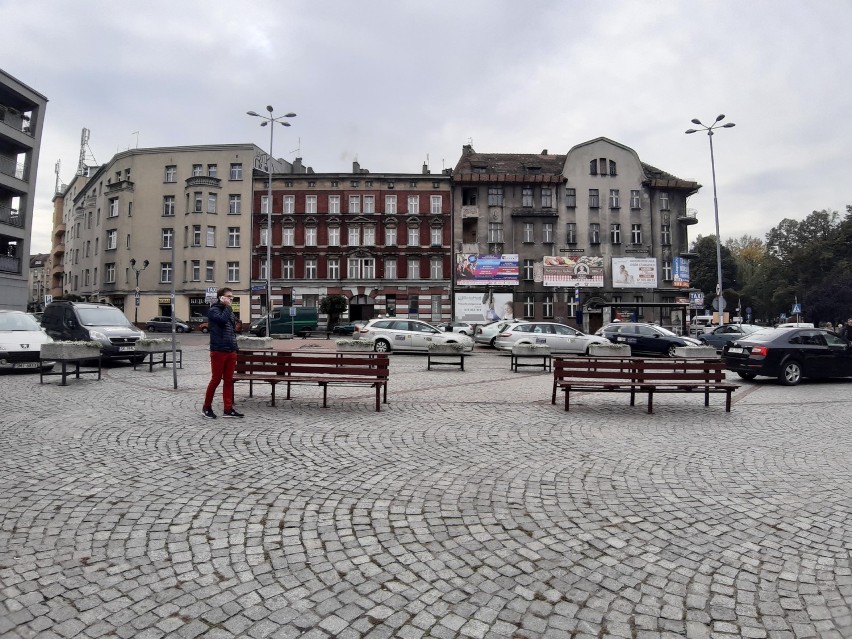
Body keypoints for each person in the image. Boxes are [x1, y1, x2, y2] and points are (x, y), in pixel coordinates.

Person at [202, 287, 244, 419]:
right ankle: (206, 407)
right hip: (218, 350)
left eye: (232, 297)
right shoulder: (214, 310)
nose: (231, 299)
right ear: (221, 297)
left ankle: (228, 409)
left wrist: (235, 348)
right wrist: (227, 308)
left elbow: (231, 330)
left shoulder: (229, 311)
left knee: (228, 380)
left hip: (230, 350)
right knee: (215, 380)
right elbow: (221, 321)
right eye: (228, 296)